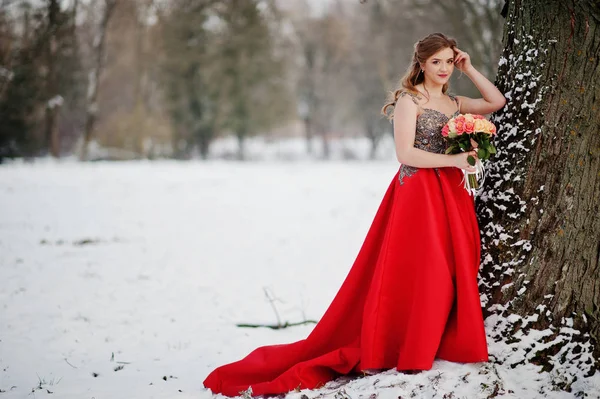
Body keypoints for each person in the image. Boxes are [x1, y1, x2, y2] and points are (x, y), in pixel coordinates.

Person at [203, 32, 507, 397]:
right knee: (423, 269)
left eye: (448, 61)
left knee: (451, 266)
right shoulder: (411, 101)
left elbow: (496, 101)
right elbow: (405, 155)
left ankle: (435, 339)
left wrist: (470, 68)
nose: (443, 68)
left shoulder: (455, 103)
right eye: (436, 62)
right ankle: (406, 346)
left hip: (451, 197)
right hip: (418, 196)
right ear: (421, 65)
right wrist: (456, 160)